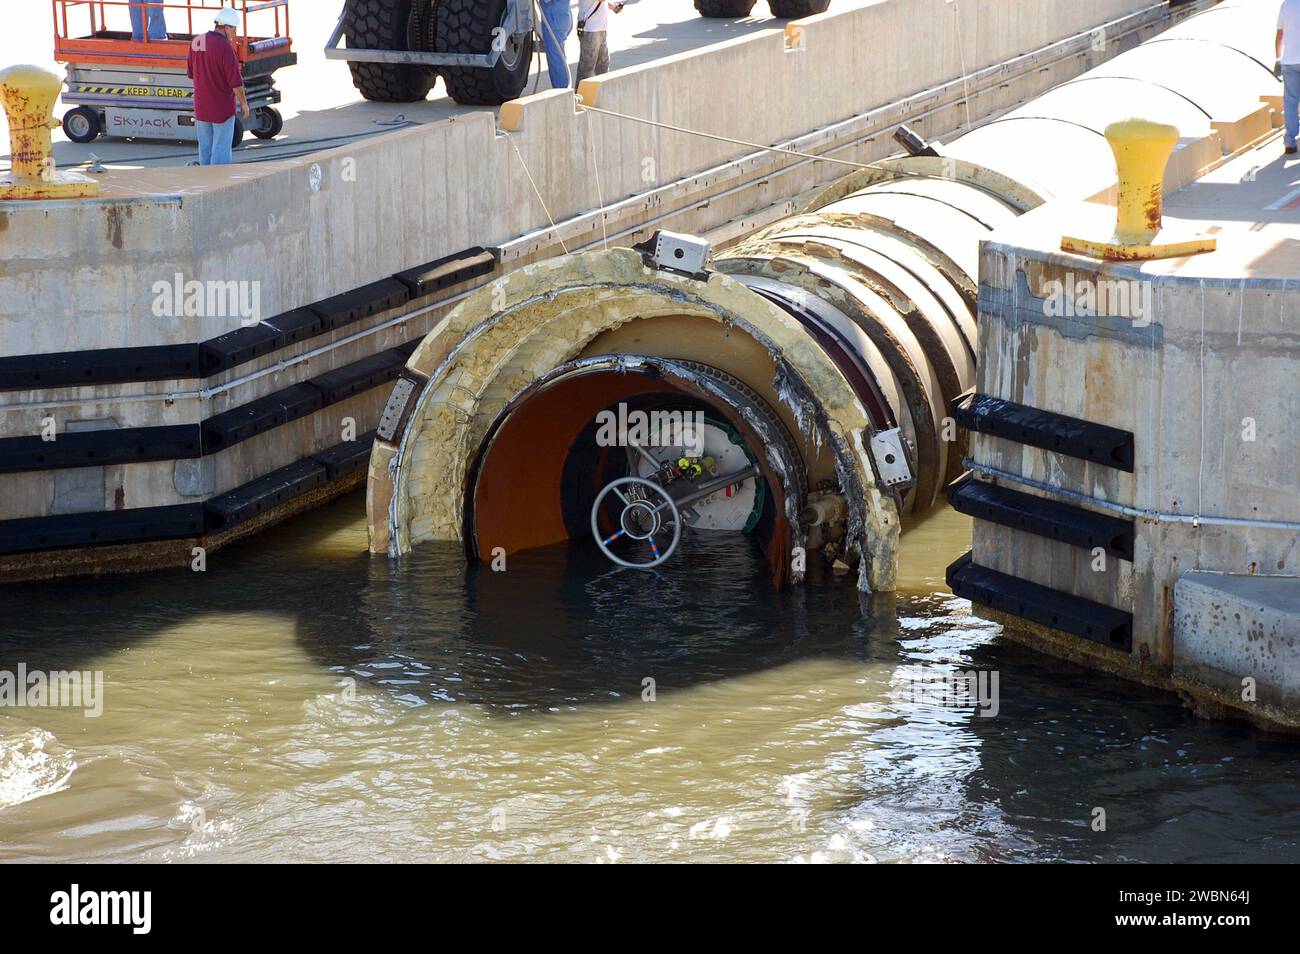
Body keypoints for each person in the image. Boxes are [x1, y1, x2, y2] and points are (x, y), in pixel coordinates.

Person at [186, 7, 250, 165]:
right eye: (234, 29)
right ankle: (219, 185)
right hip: (222, 109)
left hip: (201, 107)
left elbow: (191, 73)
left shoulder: (197, 41)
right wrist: (243, 103)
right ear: (227, 27)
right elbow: (235, 82)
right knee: (220, 152)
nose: (234, 34)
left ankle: (206, 185)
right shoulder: (226, 48)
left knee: (205, 150)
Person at [576, 0, 623, 87]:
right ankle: (581, 96)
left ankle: (601, 92)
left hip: (600, 28)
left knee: (603, 65)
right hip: (591, 29)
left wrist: (612, 6)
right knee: (587, 68)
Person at [1278, 0, 1300, 155]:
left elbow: (1280, 33)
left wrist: (1278, 58)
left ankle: (1290, 142)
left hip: (1289, 60)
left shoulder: (1286, 5)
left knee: (1291, 101)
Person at [537, 0, 573, 90]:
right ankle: (563, 90)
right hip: (561, 15)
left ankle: (563, 92)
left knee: (556, 58)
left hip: (554, 18)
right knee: (558, 55)